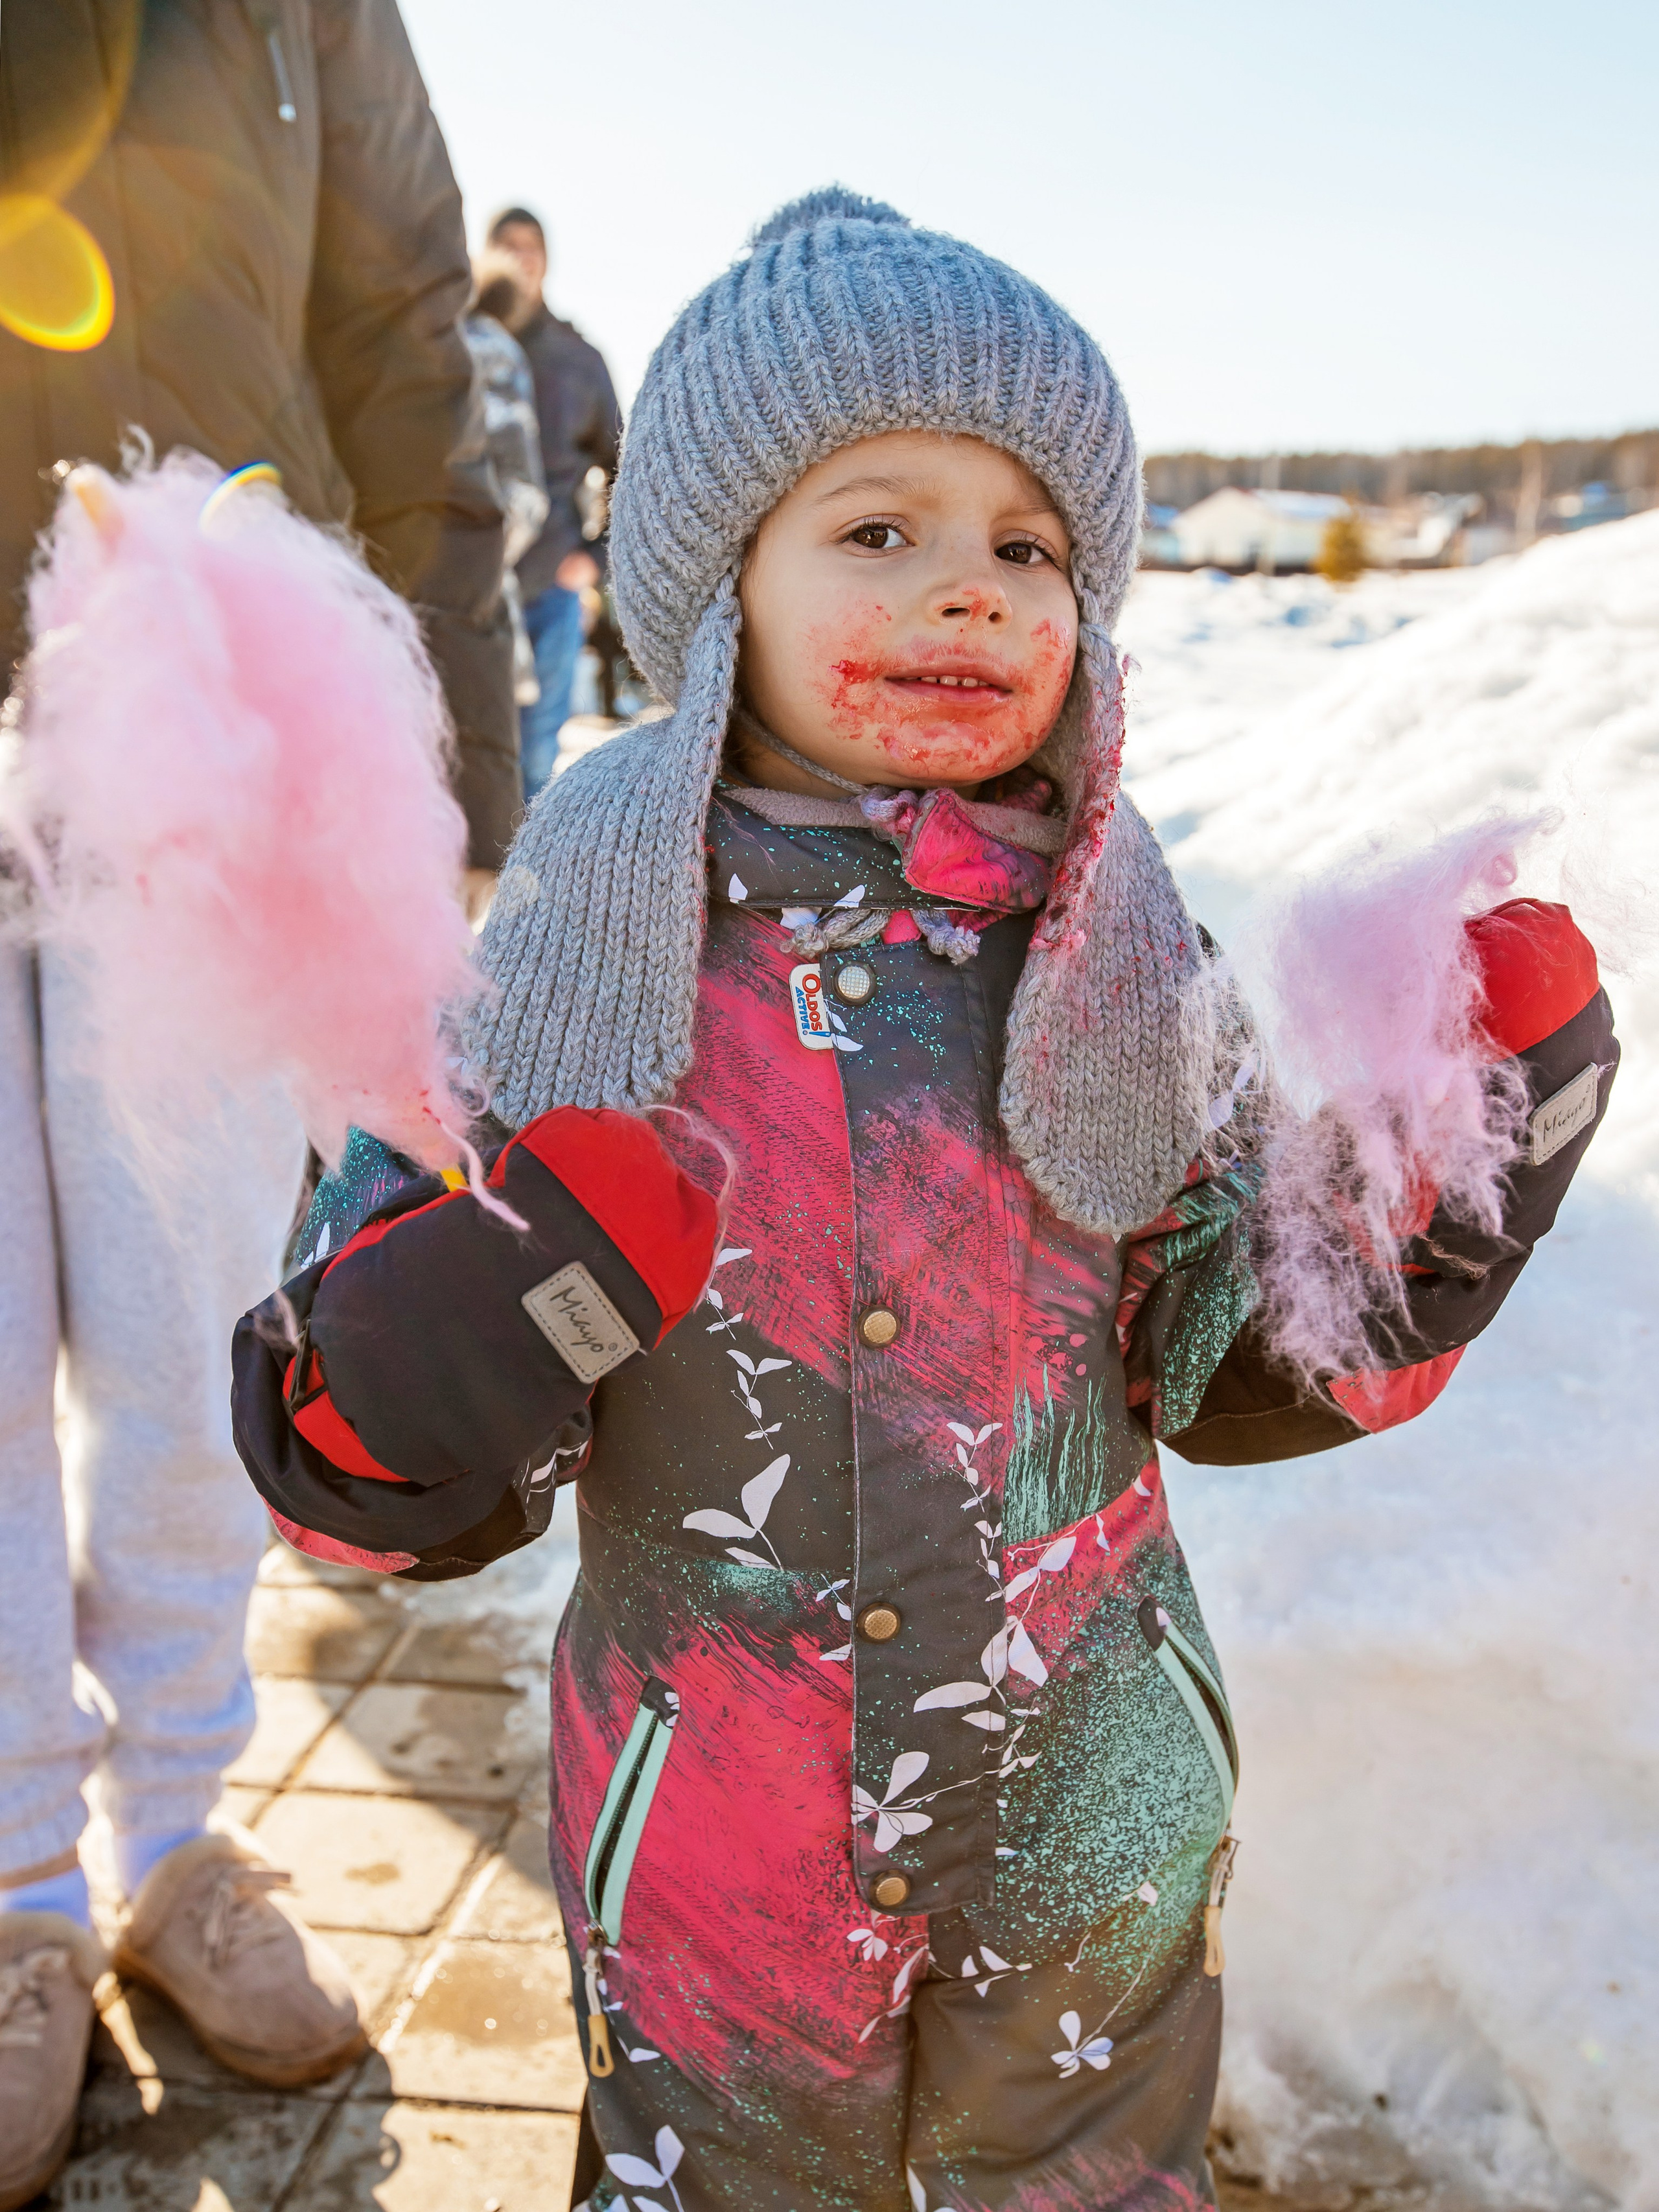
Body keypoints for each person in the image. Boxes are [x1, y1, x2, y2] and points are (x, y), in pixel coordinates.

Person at [233, 193, 1618, 2210]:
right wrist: (441, 1340)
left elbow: (1221, 1349)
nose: (966, 589)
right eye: (877, 529)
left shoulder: (1124, 945)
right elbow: (339, 1411)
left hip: (1088, 1842)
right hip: (714, 1869)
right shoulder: (570, 954)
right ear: (718, 589)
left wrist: (1423, 1205)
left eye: (1025, 543)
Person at [0, 4, 514, 2201]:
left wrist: (458, 756)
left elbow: (401, 311)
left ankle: (176, 1841)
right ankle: (17, 1889)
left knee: (194, 1308)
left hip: (212, 706)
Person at [487, 205, 622, 798]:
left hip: (549, 586)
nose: (519, 257)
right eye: (505, 244)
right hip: (471, 590)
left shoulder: (578, 359)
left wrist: (594, 558)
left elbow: (627, 473)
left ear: (546, 260)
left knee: (536, 759)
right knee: (465, 754)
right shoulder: (455, 344)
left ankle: (523, 891)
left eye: (531, 246)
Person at [465, 257, 552, 717]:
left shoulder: (484, 349)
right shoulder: (493, 347)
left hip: (466, 612)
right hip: (471, 612)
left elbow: (521, 494)